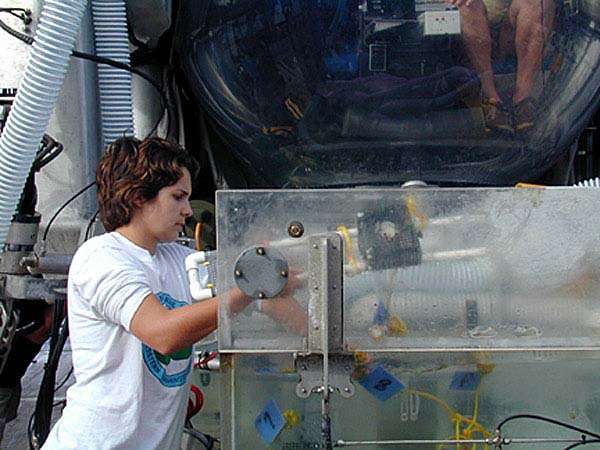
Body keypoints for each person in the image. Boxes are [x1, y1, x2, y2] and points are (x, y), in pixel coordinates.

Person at [40, 137, 255, 450]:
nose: (187, 211)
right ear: (138, 197)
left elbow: (254, 286)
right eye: (178, 198)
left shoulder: (178, 259)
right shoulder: (102, 257)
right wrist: (247, 291)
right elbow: (163, 334)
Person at [448, 0, 555, 133]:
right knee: (466, 6)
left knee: (539, 3)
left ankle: (522, 101)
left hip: (512, 14)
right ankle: (491, 101)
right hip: (471, 15)